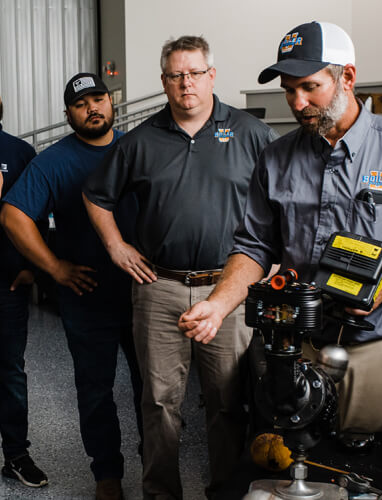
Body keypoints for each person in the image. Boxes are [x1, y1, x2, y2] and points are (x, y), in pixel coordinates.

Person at [179, 22, 382, 434]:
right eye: (289, 90)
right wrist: (218, 305)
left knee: (373, 476)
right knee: (295, 469)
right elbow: (254, 247)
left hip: (375, 352)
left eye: (310, 87)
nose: (298, 102)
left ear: (348, 78)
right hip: (296, 346)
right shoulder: (275, 158)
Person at [82, 36, 278, 499]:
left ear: (212, 76)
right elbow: (95, 195)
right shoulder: (141, 141)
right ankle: (161, 494)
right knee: (159, 403)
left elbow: (280, 203)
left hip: (229, 291)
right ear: (165, 82)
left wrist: (274, 261)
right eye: (176, 75)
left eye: (194, 73)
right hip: (161, 287)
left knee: (229, 403)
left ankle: (226, 492)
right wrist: (116, 247)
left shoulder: (252, 133)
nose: (186, 82)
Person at [0, 74, 143, 500]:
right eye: (81, 104)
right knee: (95, 390)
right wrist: (55, 268)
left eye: (98, 98)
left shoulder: (139, 148)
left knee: (154, 392)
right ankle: (107, 476)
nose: (92, 108)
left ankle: (158, 467)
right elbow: (13, 216)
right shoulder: (53, 161)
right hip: (87, 297)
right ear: (69, 114)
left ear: (111, 101)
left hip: (144, 293)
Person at [0, 96, 48, 488]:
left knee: (10, 373)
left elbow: (40, 214)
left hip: (6, 285)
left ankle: (16, 455)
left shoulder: (19, 152)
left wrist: (33, 267)